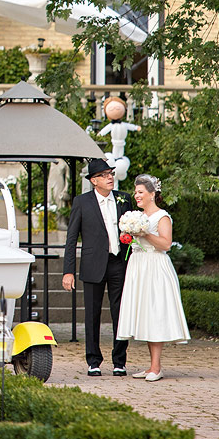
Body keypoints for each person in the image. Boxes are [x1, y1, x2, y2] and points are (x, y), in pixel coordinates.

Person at [63, 157, 133, 377]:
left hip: (119, 264)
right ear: (94, 181)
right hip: (93, 264)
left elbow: (133, 232)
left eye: (110, 173)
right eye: (104, 175)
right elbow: (71, 238)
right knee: (92, 315)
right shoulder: (82, 202)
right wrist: (68, 271)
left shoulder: (124, 199)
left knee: (120, 313)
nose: (110, 177)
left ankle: (119, 361)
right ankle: (93, 361)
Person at [117, 173, 190, 380]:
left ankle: (156, 367)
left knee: (155, 313)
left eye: (140, 192)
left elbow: (166, 244)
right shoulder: (137, 216)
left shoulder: (162, 216)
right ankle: (151, 366)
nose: (136, 195)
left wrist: (144, 233)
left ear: (151, 194)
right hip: (138, 265)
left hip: (155, 267)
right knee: (145, 314)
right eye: (136, 191)